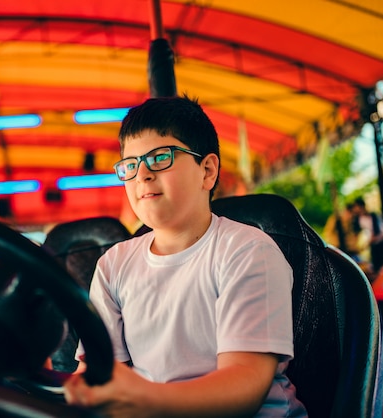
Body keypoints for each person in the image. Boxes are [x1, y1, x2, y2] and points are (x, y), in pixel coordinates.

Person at [63, 96, 307, 417]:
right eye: (131, 165)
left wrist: (143, 397)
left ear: (207, 171)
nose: (143, 175)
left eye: (160, 158)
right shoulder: (113, 265)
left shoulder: (247, 252)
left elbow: (244, 384)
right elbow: (101, 370)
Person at [349, 197, 383, 274]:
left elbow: (381, 233)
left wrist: (370, 241)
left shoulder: (373, 216)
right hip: (371, 247)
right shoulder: (358, 220)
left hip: (381, 243)